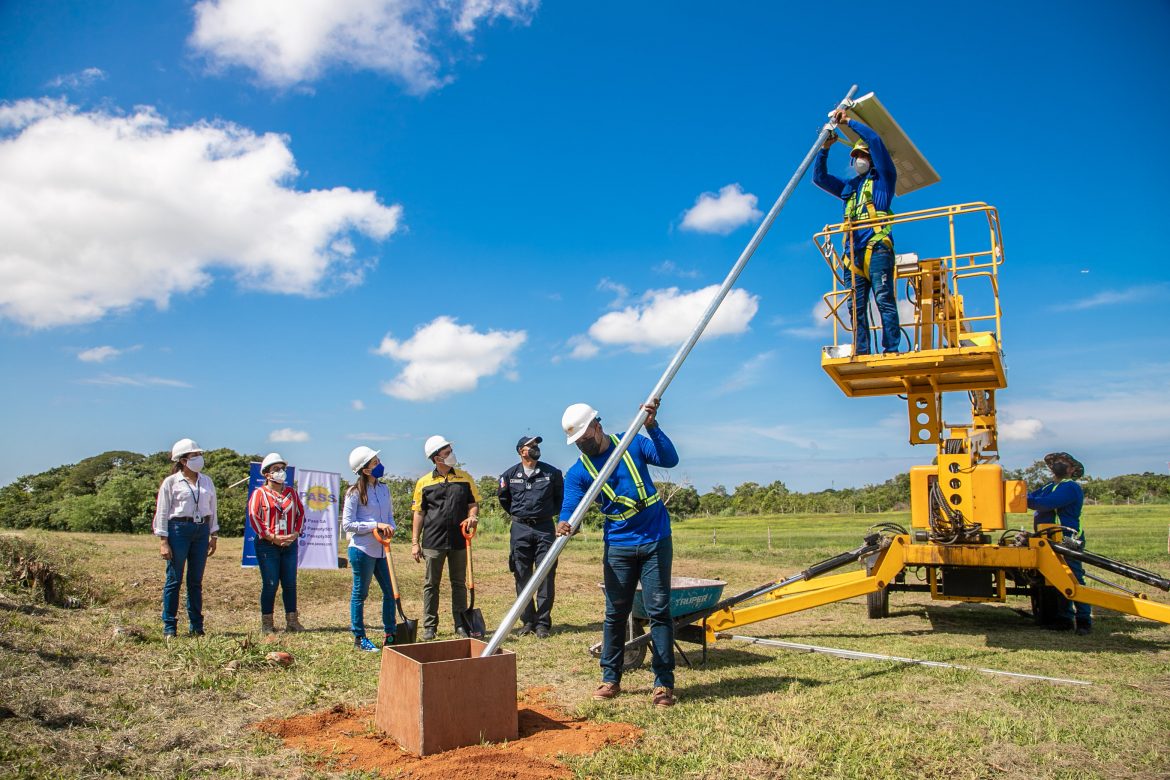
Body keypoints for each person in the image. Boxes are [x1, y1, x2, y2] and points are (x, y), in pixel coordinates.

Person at [558, 400, 680, 708]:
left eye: (586, 438)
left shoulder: (633, 443)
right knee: (615, 613)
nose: (583, 446)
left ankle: (663, 683)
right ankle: (610, 677)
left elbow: (670, 460)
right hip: (619, 545)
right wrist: (564, 522)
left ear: (598, 426)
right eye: (578, 443)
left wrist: (652, 425)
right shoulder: (579, 472)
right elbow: (570, 506)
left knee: (658, 610)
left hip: (655, 538)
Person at [813, 108, 900, 355]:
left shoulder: (884, 179)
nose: (859, 159)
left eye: (863, 155)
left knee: (883, 299)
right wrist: (825, 149)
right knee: (856, 305)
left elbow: (874, 140)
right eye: (856, 155)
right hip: (853, 255)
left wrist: (848, 122)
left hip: (877, 247)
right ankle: (861, 350)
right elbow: (819, 178)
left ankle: (891, 349)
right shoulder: (849, 187)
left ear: (872, 158)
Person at [411, 435, 480, 642]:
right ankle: (430, 626)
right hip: (433, 541)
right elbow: (419, 513)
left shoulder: (465, 478)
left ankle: (460, 623)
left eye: (450, 450)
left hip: (460, 540)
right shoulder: (423, 483)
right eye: (447, 452)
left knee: (458, 583)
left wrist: (473, 517)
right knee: (431, 584)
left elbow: (472, 504)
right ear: (436, 458)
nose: (451, 455)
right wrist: (415, 542)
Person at [498, 435, 564, 638]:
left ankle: (543, 623)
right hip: (520, 530)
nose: (535, 448)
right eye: (531, 446)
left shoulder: (552, 473)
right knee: (521, 574)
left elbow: (560, 499)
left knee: (545, 574)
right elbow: (504, 499)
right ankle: (527, 621)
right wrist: (521, 516)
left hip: (545, 528)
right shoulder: (509, 475)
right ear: (521, 451)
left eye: (537, 445)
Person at [153, 438, 218, 639]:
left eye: (199, 455)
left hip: (201, 530)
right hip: (178, 529)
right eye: (194, 456)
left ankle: (196, 626)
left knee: (195, 581)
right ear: (182, 460)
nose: (199, 458)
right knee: (174, 579)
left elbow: (213, 508)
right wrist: (163, 540)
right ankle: (169, 626)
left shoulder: (207, 481)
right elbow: (162, 511)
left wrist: (213, 534)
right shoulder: (171, 482)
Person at [1028, 451, 1091, 635]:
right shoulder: (1049, 486)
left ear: (1072, 469)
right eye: (1056, 462)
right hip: (1049, 538)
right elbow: (1033, 497)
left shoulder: (1070, 487)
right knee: (1056, 578)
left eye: (1064, 462)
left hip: (1067, 538)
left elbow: (1045, 503)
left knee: (1073, 578)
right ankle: (1064, 619)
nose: (1059, 465)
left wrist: (1024, 499)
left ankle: (1083, 621)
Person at [342, 445, 397, 652]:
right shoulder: (354, 493)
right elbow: (347, 524)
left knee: (391, 593)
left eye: (378, 460)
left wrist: (391, 527)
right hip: (362, 550)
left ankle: (391, 633)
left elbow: (389, 516)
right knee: (360, 593)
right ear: (365, 469)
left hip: (382, 550)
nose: (379, 465)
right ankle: (359, 637)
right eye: (375, 462)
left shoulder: (384, 489)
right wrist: (374, 526)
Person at [247, 452, 306, 636]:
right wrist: (271, 537)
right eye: (276, 469)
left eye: (282, 468)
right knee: (271, 583)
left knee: (290, 583)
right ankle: (267, 623)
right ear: (267, 474)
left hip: (289, 544)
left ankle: (292, 621)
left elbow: (300, 515)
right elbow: (254, 517)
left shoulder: (291, 493)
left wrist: (295, 533)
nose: (280, 472)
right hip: (267, 545)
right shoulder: (259, 494)